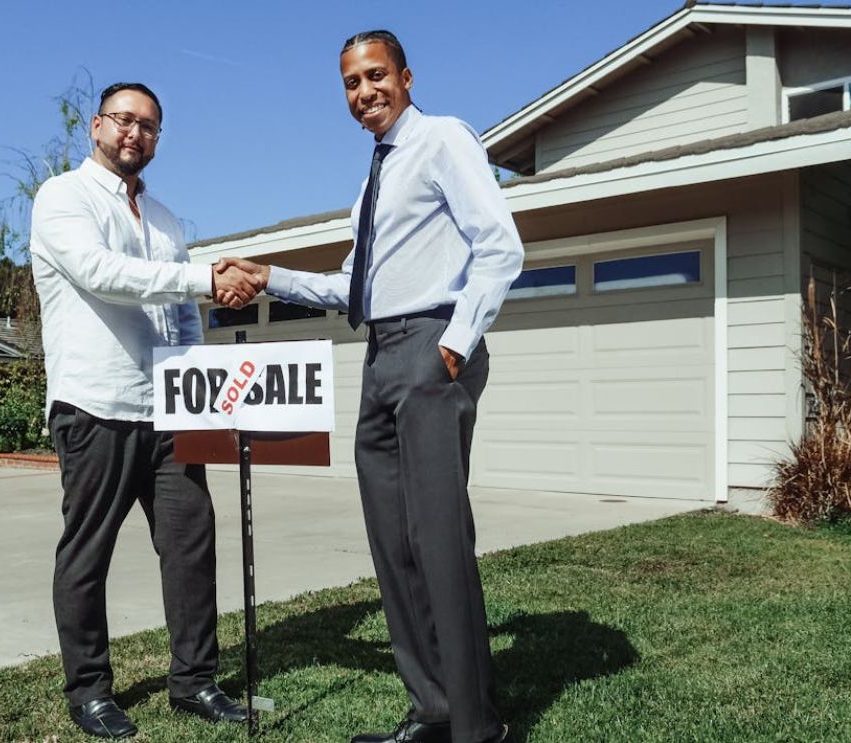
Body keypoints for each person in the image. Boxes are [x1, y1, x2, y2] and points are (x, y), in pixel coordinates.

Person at [217, 30, 521, 743]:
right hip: (379, 354)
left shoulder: (443, 140)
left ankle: (478, 729)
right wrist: (272, 277)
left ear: (406, 77)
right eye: (351, 83)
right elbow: (351, 283)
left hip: (427, 348)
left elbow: (500, 246)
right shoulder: (372, 180)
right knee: (393, 541)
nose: (363, 93)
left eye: (375, 76)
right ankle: (432, 709)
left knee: (438, 538)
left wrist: (453, 344)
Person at [30, 81, 261, 739]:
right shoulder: (61, 198)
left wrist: (200, 388)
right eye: (125, 120)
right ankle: (90, 690)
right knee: (88, 551)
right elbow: (103, 274)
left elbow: (179, 313)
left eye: (150, 126)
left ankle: (193, 681)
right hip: (94, 403)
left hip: (168, 409)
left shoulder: (163, 218)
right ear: (96, 126)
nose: (136, 133)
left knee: (191, 543)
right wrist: (203, 276)